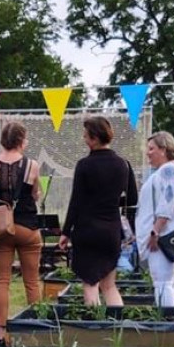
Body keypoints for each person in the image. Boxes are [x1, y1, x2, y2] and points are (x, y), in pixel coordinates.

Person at [60, 116, 137, 306]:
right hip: (111, 231)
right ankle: (118, 327)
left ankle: (95, 327)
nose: (84, 139)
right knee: (109, 286)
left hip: (87, 230)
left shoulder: (84, 165)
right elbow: (133, 199)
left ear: (94, 138)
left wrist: (65, 231)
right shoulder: (123, 164)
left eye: (86, 136)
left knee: (90, 282)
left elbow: (75, 202)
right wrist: (111, 201)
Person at [0, 121, 43, 347]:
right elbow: (36, 194)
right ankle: (35, 329)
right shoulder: (32, 166)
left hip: (0, 229)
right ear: (21, 141)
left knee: (2, 282)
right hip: (27, 227)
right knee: (31, 282)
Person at [135, 131, 174, 307]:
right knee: (170, 281)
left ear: (164, 149)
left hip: (164, 237)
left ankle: (165, 321)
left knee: (163, 282)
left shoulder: (168, 171)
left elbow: (167, 203)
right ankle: (172, 315)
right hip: (167, 235)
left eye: (151, 149)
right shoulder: (172, 170)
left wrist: (155, 231)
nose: (148, 153)